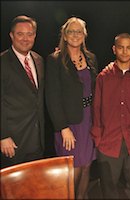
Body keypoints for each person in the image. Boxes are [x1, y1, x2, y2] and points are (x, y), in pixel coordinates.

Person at [91, 33, 130, 199]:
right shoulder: (103, 77)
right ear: (114, 49)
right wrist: (98, 138)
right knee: (109, 190)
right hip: (109, 142)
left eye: (128, 48)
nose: (124, 51)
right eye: (120, 47)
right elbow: (96, 109)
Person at [45, 17, 98, 199]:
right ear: (65, 36)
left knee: (86, 166)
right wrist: (63, 128)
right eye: (71, 31)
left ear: (84, 35)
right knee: (72, 170)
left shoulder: (91, 58)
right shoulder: (55, 60)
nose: (75, 35)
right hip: (69, 124)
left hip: (89, 120)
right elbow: (52, 97)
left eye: (79, 31)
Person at [1, 15, 45, 168]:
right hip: (13, 142)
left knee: (34, 187)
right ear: (11, 35)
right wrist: (3, 136)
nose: (25, 39)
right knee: (13, 190)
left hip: (37, 139)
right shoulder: (3, 62)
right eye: (20, 34)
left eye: (30, 34)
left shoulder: (39, 60)